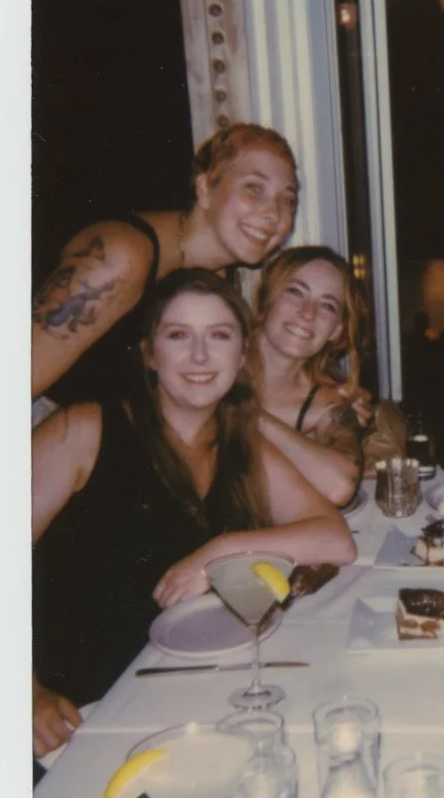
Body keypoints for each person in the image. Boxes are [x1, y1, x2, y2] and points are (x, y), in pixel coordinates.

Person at [31, 268, 356, 760]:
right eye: (179, 335)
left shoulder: (241, 445)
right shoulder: (85, 429)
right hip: (80, 715)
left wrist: (217, 552)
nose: (200, 356)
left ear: (241, 355)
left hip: (185, 698)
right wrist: (24, 691)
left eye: (219, 336)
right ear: (150, 354)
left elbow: (337, 540)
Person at [32, 122, 299, 404]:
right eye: (254, 188)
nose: (273, 213)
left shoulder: (218, 277)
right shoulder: (120, 257)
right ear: (205, 189)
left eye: (288, 200)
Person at [249, 245, 369, 507]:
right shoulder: (212, 367)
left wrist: (249, 416)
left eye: (327, 305)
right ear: (267, 297)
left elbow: (339, 487)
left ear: (336, 329)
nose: (307, 313)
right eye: (295, 292)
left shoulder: (327, 403)